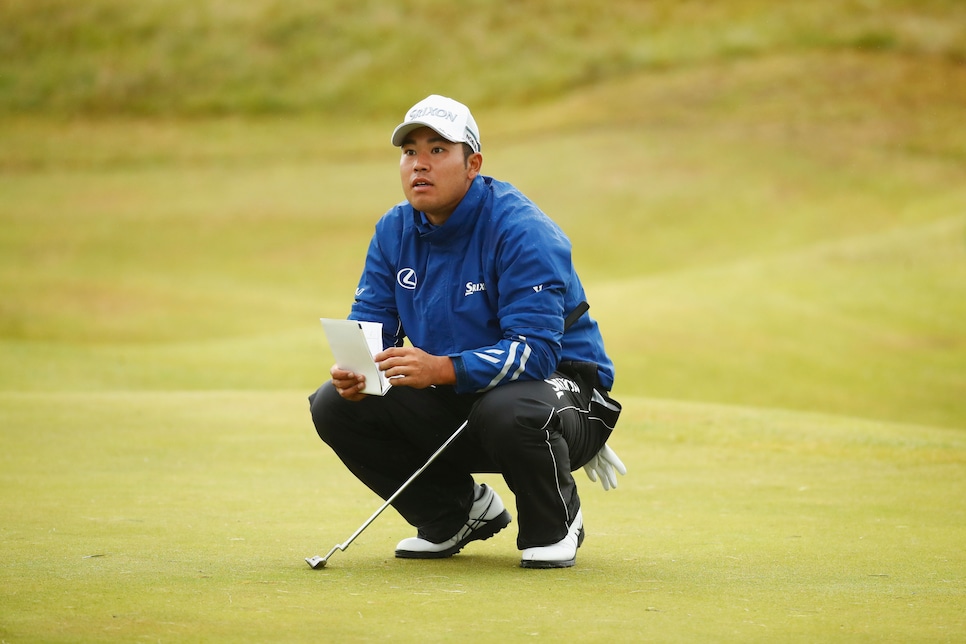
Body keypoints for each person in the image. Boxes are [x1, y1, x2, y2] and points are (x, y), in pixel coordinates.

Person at [309, 94, 625, 569]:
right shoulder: (394, 230)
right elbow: (370, 329)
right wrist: (359, 375)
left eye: (438, 150)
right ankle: (455, 514)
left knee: (511, 407)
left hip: (567, 390)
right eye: (410, 151)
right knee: (333, 406)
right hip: (463, 393)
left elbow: (535, 353)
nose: (420, 164)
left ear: (472, 163)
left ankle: (554, 524)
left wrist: (440, 367)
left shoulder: (522, 229)